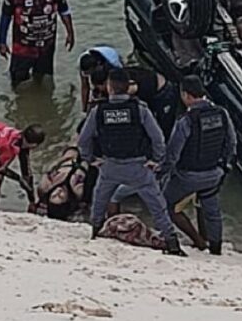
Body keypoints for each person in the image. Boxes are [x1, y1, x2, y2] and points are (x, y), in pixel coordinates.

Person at [77, 68, 184, 256]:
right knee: (157, 205)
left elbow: (83, 140)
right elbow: (157, 138)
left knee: (99, 199)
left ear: (109, 88)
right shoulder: (140, 109)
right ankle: (171, 241)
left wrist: (91, 159)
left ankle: (95, 231)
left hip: (110, 165)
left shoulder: (99, 111)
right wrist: (156, 160)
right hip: (138, 167)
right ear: (129, 87)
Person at [160, 75, 236, 255]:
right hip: (214, 173)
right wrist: (224, 168)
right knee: (212, 210)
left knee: (167, 204)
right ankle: (216, 249)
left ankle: (199, 241)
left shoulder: (186, 120)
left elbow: (173, 154)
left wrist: (162, 174)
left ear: (186, 95)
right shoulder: (222, 113)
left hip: (189, 175)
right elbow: (231, 144)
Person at [0, 0, 75, 87]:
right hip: (22, 46)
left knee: (43, 77)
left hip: (46, 45)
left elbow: (64, 11)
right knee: (17, 80)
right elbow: (5, 17)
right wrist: (2, 42)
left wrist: (70, 33)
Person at [91, 64, 180, 138]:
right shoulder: (116, 74)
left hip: (163, 93)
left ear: (105, 83)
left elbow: (128, 99)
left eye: (99, 88)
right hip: (150, 91)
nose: (100, 91)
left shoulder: (127, 85)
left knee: (164, 128)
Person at [78, 46, 123, 111]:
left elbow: (121, 82)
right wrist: (84, 108)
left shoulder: (113, 63)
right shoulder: (82, 61)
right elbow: (85, 86)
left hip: (109, 59)